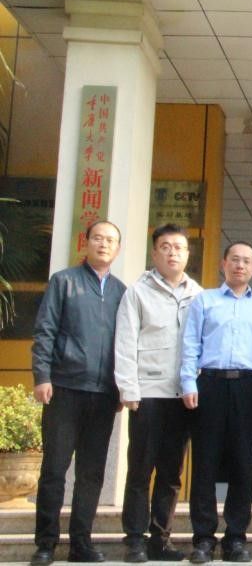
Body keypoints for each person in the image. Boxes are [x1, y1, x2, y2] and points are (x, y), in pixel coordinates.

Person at [29, 220, 127, 566]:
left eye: (110, 240)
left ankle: (80, 543)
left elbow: (125, 344)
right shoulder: (64, 281)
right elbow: (45, 330)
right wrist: (42, 376)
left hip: (103, 395)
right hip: (65, 388)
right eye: (98, 238)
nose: (103, 244)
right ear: (86, 242)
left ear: (118, 249)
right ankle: (45, 543)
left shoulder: (121, 292)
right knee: (55, 469)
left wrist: (122, 387)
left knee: (91, 472)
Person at [180, 241, 252, 564]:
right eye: (235, 259)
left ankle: (235, 538)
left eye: (247, 261)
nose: (240, 265)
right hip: (209, 384)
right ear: (224, 264)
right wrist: (188, 381)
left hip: (247, 387)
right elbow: (190, 344)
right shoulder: (204, 300)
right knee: (205, 462)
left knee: (242, 463)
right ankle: (203, 539)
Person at [114, 223, 203, 563]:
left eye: (178, 247)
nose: (172, 253)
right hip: (147, 393)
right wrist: (128, 388)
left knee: (171, 473)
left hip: (183, 396)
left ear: (187, 254)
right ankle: (135, 540)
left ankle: (160, 540)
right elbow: (125, 342)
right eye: (165, 247)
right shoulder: (137, 293)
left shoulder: (199, 295)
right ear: (154, 253)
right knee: (140, 469)